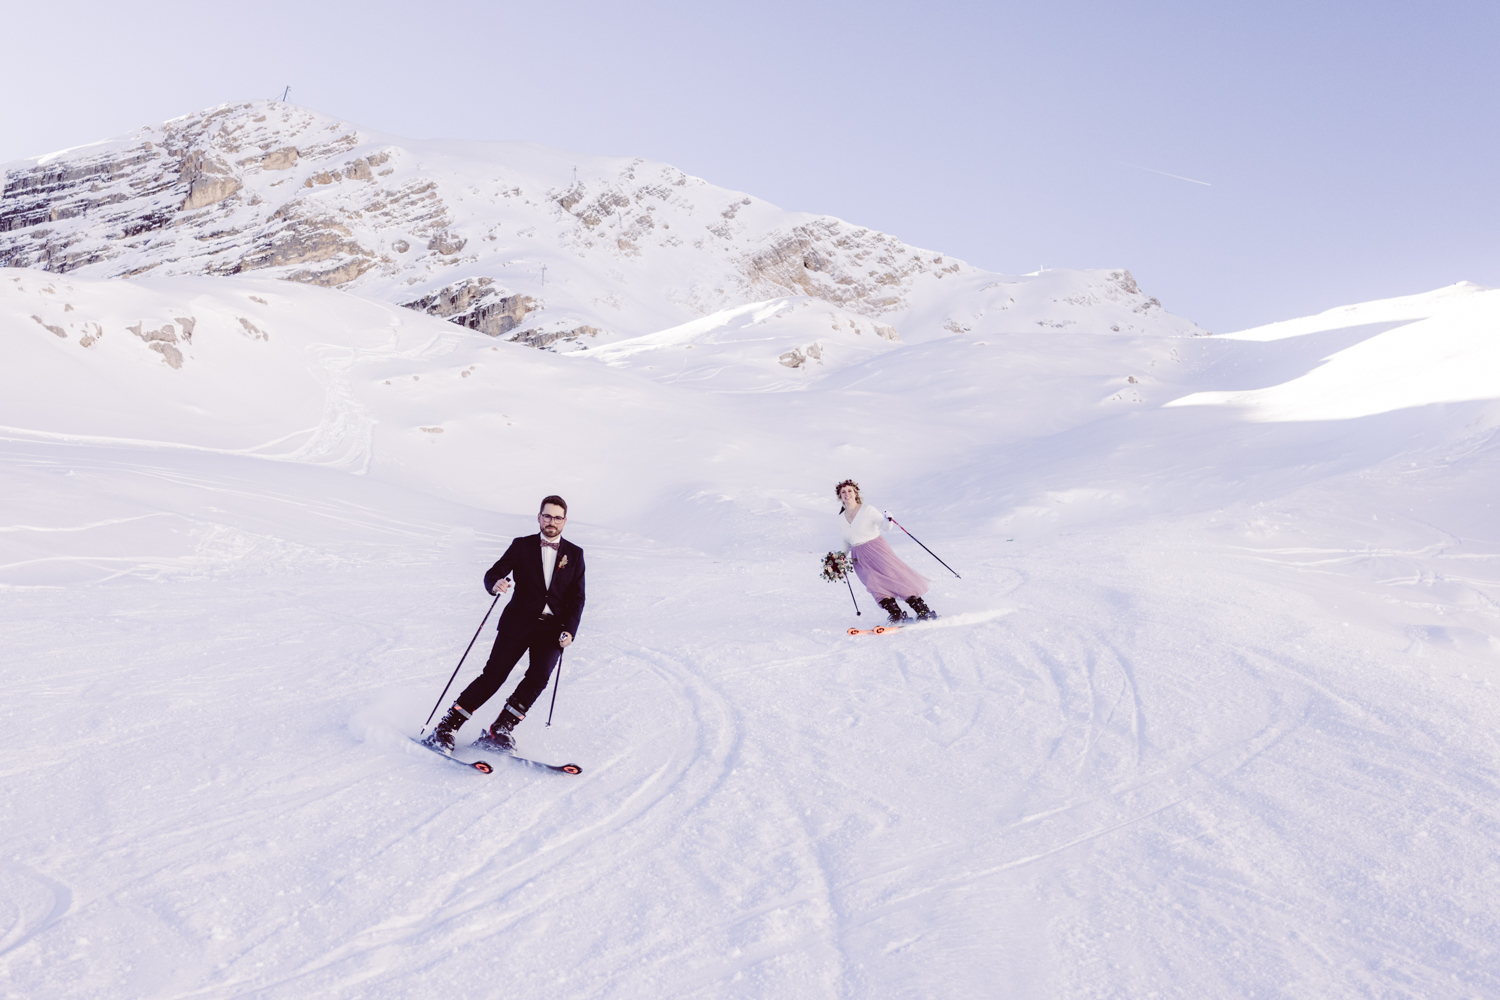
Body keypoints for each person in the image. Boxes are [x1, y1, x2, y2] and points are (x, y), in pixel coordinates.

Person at [424, 495, 586, 752]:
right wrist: (495, 583)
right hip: (517, 623)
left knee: (538, 678)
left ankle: (500, 729)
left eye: (557, 517)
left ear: (565, 521)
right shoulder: (522, 546)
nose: (551, 521)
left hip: (552, 629)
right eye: (547, 515)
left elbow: (577, 597)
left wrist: (570, 629)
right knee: (493, 677)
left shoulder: (575, 554)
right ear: (539, 517)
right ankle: (447, 727)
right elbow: (494, 572)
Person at [836, 479, 935, 623]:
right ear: (840, 496)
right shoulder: (841, 518)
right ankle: (896, 614)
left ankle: (922, 610)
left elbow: (885, 526)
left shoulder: (867, 509)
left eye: (849, 491)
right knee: (874, 584)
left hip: (876, 549)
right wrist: (840, 558)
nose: (847, 494)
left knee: (895, 577)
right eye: (843, 492)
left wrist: (888, 520)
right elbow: (846, 540)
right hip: (858, 556)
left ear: (855, 493)